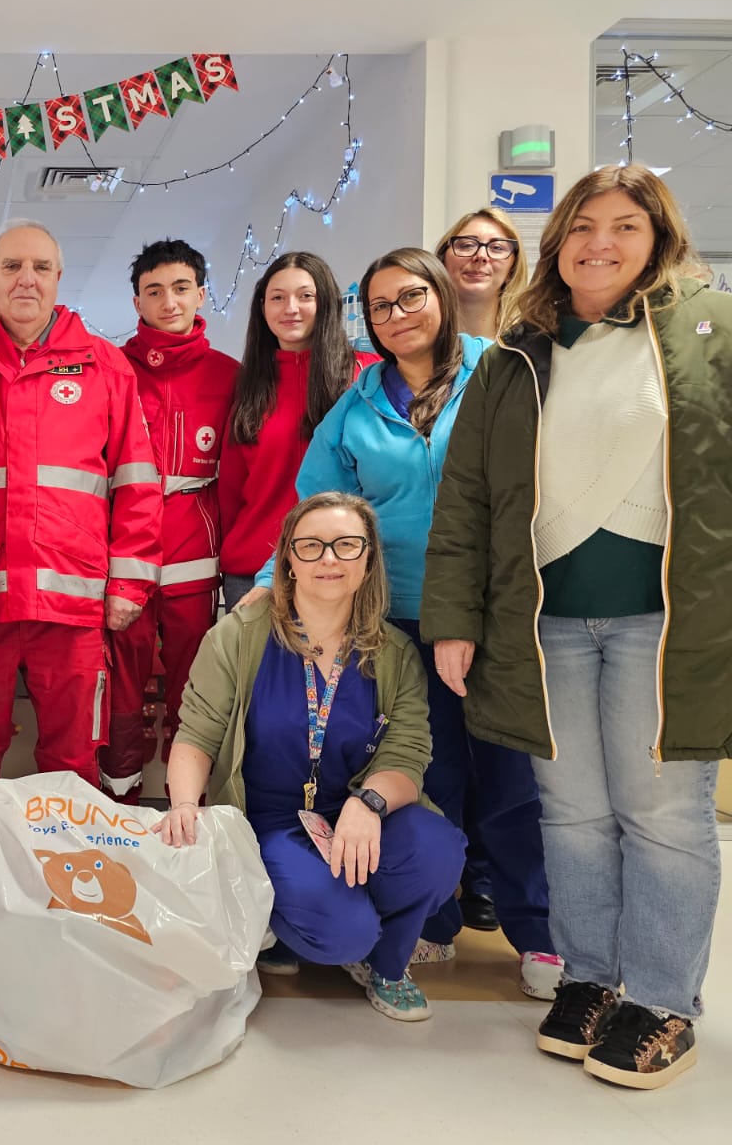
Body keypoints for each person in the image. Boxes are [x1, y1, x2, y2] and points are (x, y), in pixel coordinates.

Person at [424, 165, 731, 1090]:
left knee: (663, 812)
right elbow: (466, 498)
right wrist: (454, 618)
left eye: (626, 225)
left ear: (659, 237)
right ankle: (592, 979)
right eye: (585, 226)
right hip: (544, 622)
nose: (601, 242)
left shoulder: (710, 332)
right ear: (558, 242)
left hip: (665, 621)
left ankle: (664, 1000)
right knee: (573, 813)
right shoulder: (515, 357)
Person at [240, 247, 559, 999]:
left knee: (512, 778)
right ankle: (433, 923)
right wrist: (268, 582)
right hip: (398, 617)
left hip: (496, 610)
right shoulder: (357, 407)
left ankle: (538, 935)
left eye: (411, 297)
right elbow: (315, 509)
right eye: (379, 306)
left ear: (442, 295)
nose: (396, 316)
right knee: (430, 771)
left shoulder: (498, 371)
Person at [158, 492, 463, 1022]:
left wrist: (369, 803)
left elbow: (408, 754)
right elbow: (197, 734)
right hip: (271, 823)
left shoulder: (394, 653)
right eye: (311, 546)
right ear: (288, 561)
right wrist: (184, 805)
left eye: (346, 545)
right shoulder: (238, 638)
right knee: (343, 933)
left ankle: (388, 964)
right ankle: (295, 926)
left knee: (436, 849)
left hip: (357, 811)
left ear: (368, 560)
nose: (328, 559)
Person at [0, 219, 162, 790]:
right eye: (12, 267)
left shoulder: (105, 366)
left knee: (73, 761)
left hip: (73, 607)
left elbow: (136, 480)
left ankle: (64, 852)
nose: (25, 279)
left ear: (58, 278)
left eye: (40, 267)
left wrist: (130, 584)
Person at [101, 240, 238, 803]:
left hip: (195, 551)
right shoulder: (112, 369)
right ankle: (119, 799)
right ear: (137, 302)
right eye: (154, 291)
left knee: (193, 680)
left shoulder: (231, 375)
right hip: (123, 552)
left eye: (181, 288)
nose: (169, 302)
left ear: (201, 294)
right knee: (121, 682)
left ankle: (188, 804)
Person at [432, 207, 529, 931]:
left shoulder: (531, 348)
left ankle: (496, 880)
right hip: (434, 568)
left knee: (505, 747)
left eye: (496, 246)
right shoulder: (413, 354)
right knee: (439, 746)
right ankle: (452, 876)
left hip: (514, 572)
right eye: (464, 244)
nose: (479, 256)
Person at [217, 253, 372, 612]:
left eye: (305, 296)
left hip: (341, 569)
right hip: (255, 570)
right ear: (262, 307)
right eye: (277, 297)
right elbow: (230, 491)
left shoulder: (365, 376)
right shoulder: (247, 386)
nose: (291, 308)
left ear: (326, 302)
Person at [435, 207, 528, 341]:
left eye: (497, 248)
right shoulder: (417, 341)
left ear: (512, 269)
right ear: (442, 261)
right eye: (467, 245)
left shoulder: (531, 344)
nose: (481, 256)